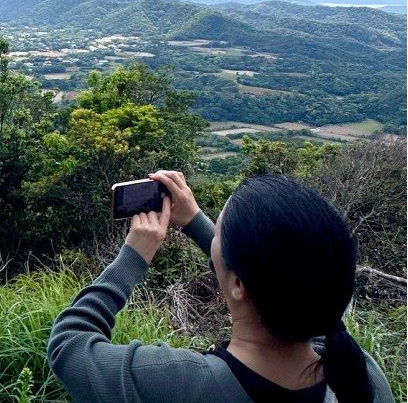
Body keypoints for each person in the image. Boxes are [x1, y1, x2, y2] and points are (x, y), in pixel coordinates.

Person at [47, 171, 394, 402]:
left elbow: (68, 344)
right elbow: (293, 284)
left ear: (239, 284)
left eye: (219, 231)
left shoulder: (175, 383)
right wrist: (195, 222)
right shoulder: (361, 376)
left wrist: (134, 256)